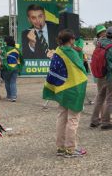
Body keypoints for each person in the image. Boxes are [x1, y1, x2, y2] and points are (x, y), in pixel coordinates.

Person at [43, 29, 88, 158]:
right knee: (73, 119)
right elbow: (81, 69)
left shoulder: (57, 51)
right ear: (72, 40)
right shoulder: (72, 53)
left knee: (61, 117)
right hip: (74, 89)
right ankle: (71, 148)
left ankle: (60, 147)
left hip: (62, 89)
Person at [90, 27, 112, 130]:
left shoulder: (99, 44)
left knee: (100, 98)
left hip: (100, 75)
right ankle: (106, 122)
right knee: (110, 100)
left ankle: (94, 120)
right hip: (111, 77)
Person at [0, 36, 24, 102]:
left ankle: (9, 96)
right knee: (13, 82)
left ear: (6, 42)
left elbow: (1, 57)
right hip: (15, 68)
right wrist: (20, 67)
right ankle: (13, 97)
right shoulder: (17, 49)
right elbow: (21, 59)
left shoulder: (3, 49)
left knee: (7, 82)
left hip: (6, 68)